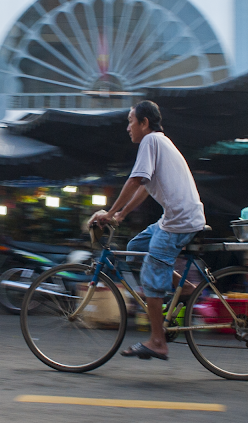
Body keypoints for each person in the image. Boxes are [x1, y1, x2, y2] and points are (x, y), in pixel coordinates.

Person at [88, 100, 206, 360]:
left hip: (179, 221)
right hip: (176, 218)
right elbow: (145, 186)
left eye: (131, 121)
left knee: (151, 278)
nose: (128, 127)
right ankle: (184, 287)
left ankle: (157, 341)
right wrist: (121, 214)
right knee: (136, 247)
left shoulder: (150, 141)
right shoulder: (160, 142)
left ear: (144, 123)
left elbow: (135, 180)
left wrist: (107, 213)